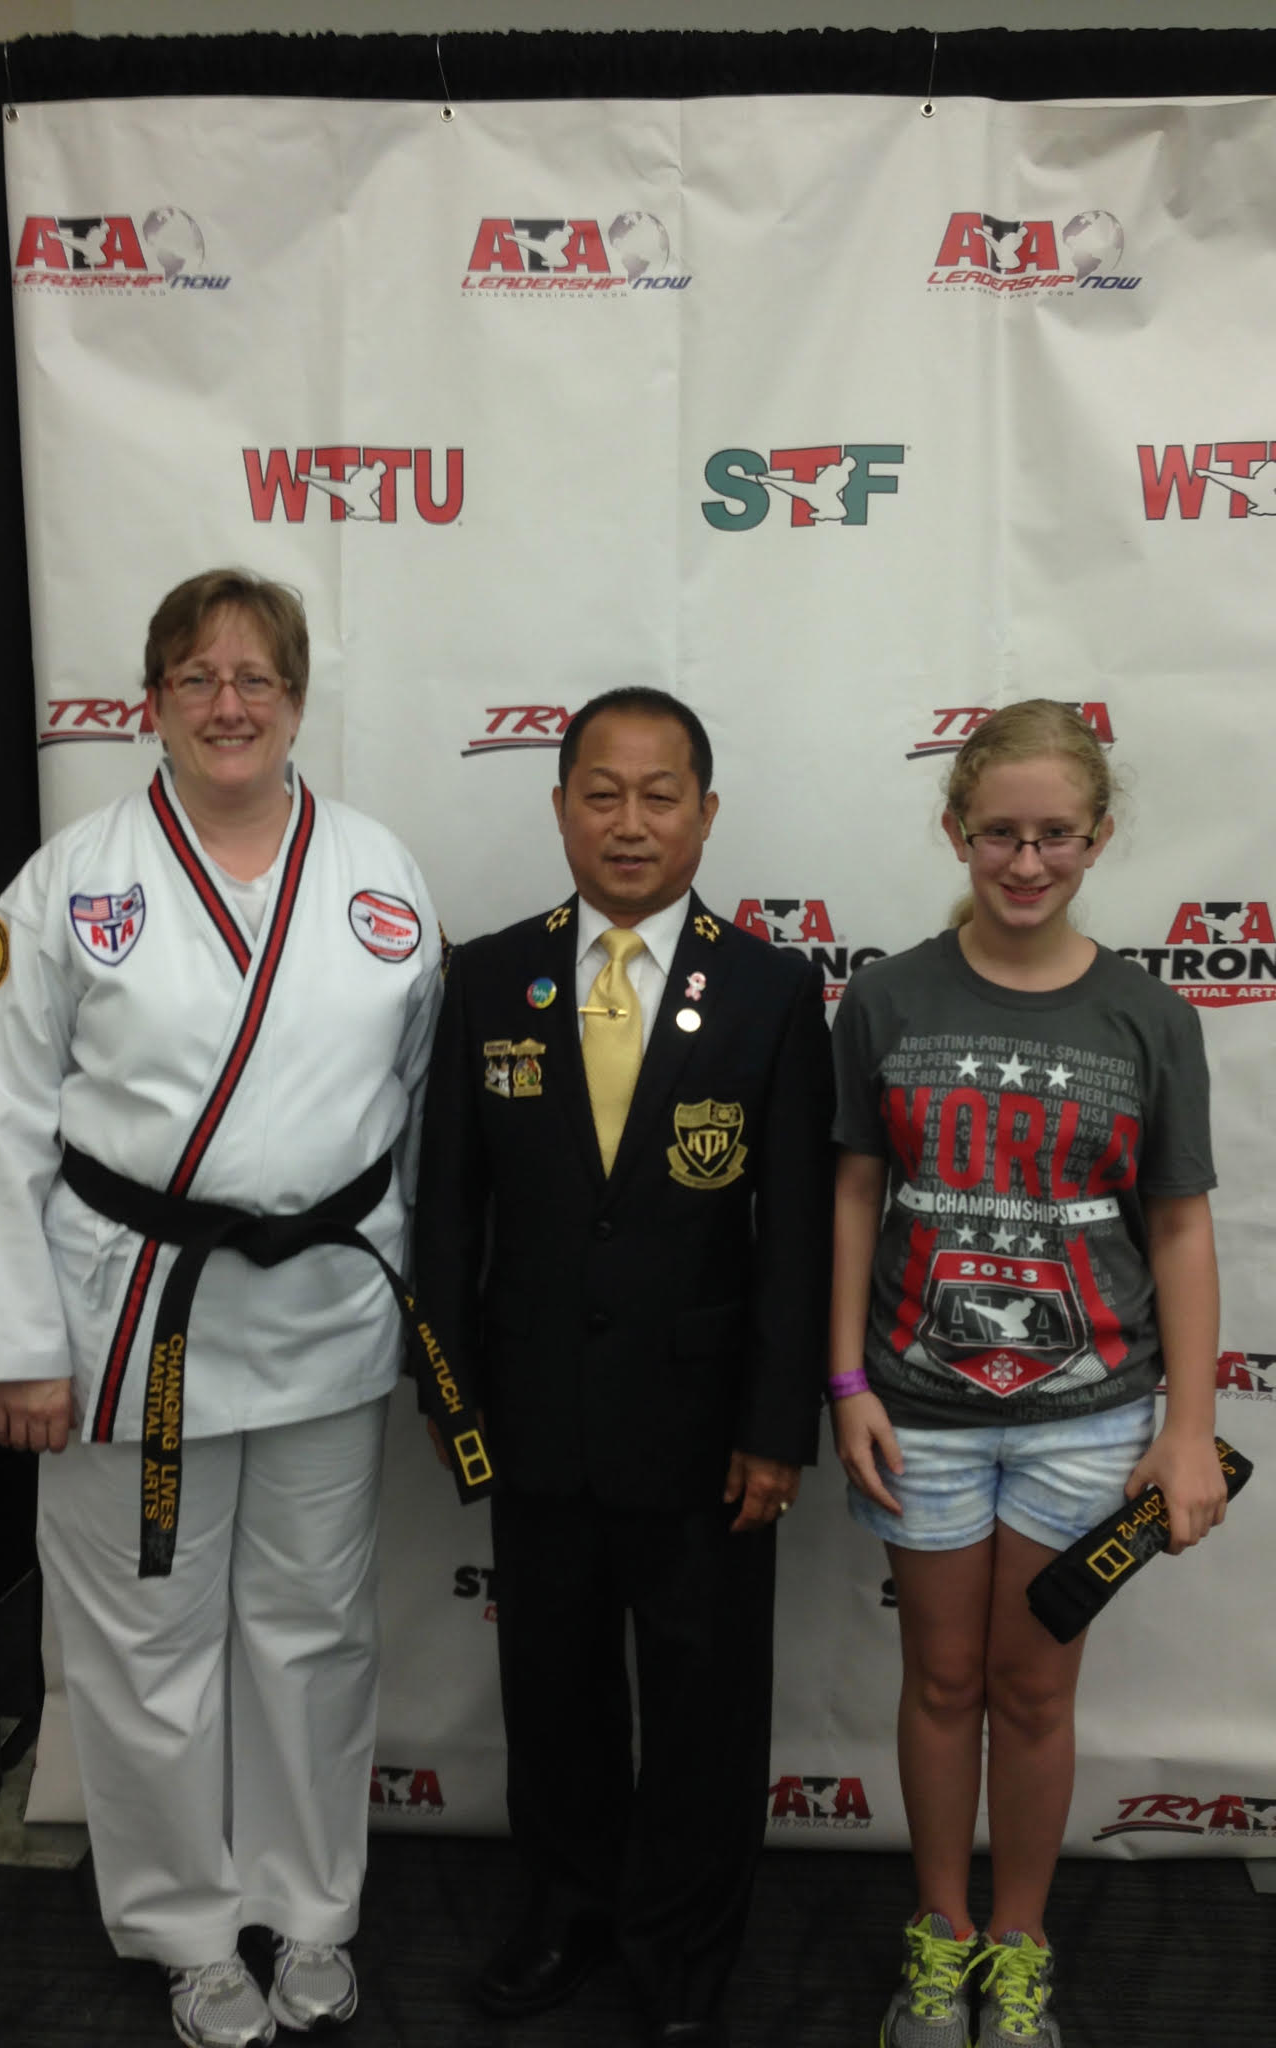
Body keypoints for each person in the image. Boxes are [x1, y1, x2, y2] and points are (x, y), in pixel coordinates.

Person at [0, 569, 442, 2048]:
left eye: (257, 678)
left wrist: (420, 1304)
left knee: (313, 1627)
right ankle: (181, 1925)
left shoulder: (377, 873)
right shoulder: (68, 883)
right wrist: (20, 1344)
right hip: (126, 1320)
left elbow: (416, 1120)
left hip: (325, 1322)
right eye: (195, 677)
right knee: (145, 1638)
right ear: (149, 701)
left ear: (296, 699)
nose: (229, 704)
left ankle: (310, 1907)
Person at [414, 686, 833, 2048]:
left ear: (707, 814)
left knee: (706, 1704)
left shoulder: (773, 992)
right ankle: (568, 1908)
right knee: (554, 1684)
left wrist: (777, 1427)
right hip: (534, 1422)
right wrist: (453, 1393)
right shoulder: (487, 978)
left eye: (663, 796)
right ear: (559, 809)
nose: (632, 822)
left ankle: (685, 1939)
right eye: (603, 792)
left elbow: (792, 1242)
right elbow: (447, 1212)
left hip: (710, 1433)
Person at [829, 700, 1227, 2048]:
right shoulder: (886, 995)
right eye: (999, 832)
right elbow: (853, 1196)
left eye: (1056, 834)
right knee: (944, 1683)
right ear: (956, 832)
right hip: (919, 1411)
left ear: (1098, 839)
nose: (1025, 860)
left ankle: (1022, 1942)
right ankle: (938, 1942)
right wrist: (845, 1382)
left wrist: (1191, 1427)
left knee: (1036, 1688)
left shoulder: (1150, 1014)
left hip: (1085, 1417)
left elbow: (1177, 1225)